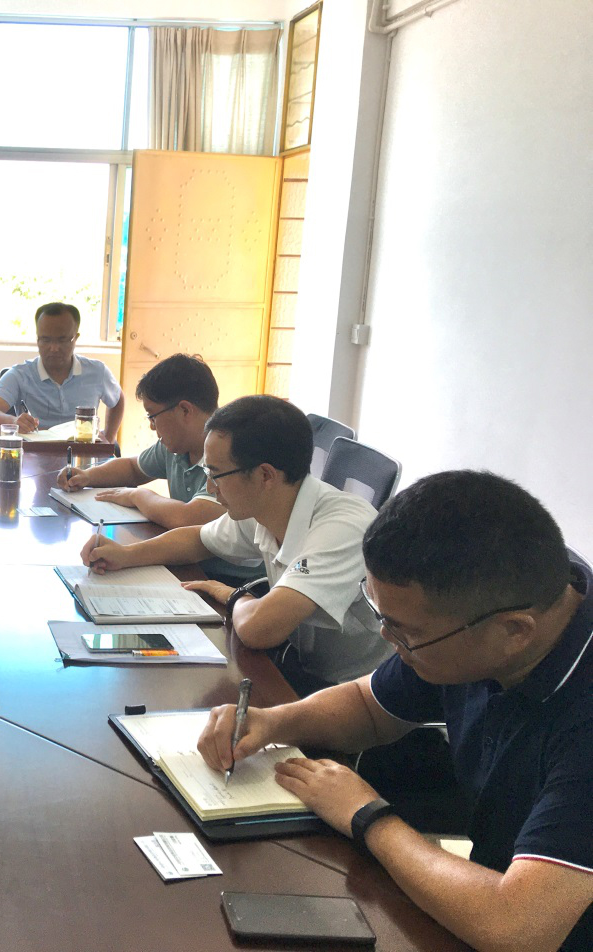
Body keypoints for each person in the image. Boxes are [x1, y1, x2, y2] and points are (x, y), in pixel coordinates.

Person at [196, 471, 593, 951]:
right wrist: (274, 721)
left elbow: (517, 928)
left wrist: (368, 816)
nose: (386, 637)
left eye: (405, 631)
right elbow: (369, 705)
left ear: (514, 632)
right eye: (380, 614)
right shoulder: (493, 608)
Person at [81, 394, 391, 694]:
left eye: (216, 473)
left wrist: (235, 595)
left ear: (265, 475)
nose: (209, 486)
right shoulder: (267, 503)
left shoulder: (342, 527)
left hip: (363, 695)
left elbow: (259, 628)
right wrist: (125, 554)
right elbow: (197, 539)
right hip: (301, 667)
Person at [56, 354, 224, 530]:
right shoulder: (177, 446)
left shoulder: (228, 452)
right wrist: (87, 476)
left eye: (153, 416)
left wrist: (136, 495)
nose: (152, 426)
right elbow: (133, 468)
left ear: (185, 410)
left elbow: (186, 518)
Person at [0, 301, 124, 440]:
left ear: (75, 338)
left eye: (62, 340)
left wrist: (109, 438)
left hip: (83, 451)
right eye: (46, 340)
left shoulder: (97, 372)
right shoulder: (20, 375)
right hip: (37, 453)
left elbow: (117, 400)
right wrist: (14, 421)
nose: (53, 348)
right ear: (37, 339)